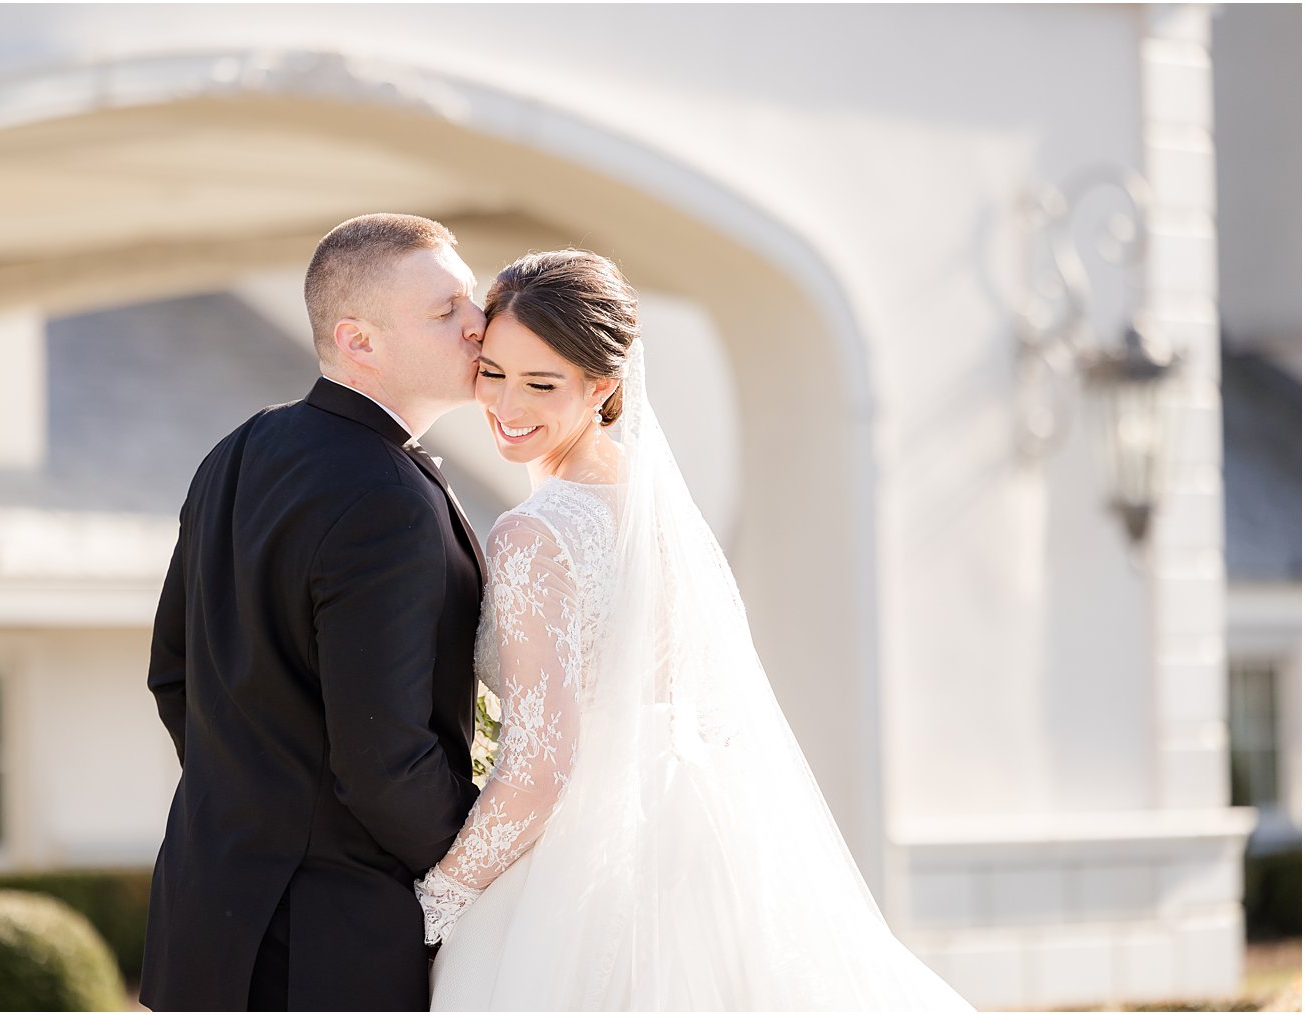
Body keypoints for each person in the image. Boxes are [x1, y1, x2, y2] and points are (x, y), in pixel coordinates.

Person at [414, 249, 976, 1011]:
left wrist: (437, 896)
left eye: (542, 383)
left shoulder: (533, 534)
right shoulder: (654, 515)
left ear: (602, 386)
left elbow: (542, 766)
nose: (508, 403)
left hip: (579, 873)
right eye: (495, 373)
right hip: (703, 840)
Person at [141, 213, 488, 1011]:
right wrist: (486, 875)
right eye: (445, 311)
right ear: (358, 340)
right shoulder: (388, 496)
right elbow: (386, 764)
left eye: (469, 300)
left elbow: (172, 675)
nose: (479, 325)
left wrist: (254, 800)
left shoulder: (236, 449)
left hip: (205, 914)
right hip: (330, 944)